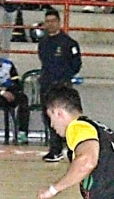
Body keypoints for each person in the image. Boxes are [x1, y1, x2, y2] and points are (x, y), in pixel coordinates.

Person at [38, 8, 82, 162]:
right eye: (47, 21)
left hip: (62, 87)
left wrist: (65, 78)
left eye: (53, 21)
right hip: (47, 85)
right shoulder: (43, 43)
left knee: (67, 119)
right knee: (49, 118)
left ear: (59, 22)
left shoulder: (68, 43)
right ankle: (55, 149)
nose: (50, 24)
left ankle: (72, 148)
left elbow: (76, 64)